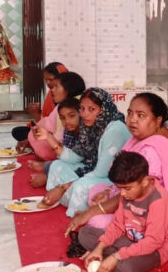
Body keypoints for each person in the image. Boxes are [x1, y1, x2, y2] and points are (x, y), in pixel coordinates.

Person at [66, 93, 168, 244]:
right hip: (131, 195)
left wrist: (92, 211)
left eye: (141, 115)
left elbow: (138, 195)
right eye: (130, 113)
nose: (132, 119)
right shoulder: (144, 137)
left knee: (96, 221)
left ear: (157, 120)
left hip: (147, 214)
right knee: (95, 190)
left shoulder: (151, 151)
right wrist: (109, 192)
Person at [78, 151, 168, 272]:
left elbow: (153, 241)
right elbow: (118, 225)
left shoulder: (159, 201)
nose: (123, 194)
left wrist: (116, 256)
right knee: (84, 233)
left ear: (145, 181)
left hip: (155, 250)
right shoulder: (127, 193)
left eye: (127, 188)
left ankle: (113, 258)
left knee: (127, 271)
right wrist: (99, 248)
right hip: (129, 239)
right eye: (120, 189)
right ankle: (109, 256)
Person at [42, 88, 130, 216]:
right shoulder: (92, 125)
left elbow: (101, 172)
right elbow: (76, 157)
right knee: (56, 166)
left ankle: (77, 213)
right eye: (82, 109)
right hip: (94, 170)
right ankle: (62, 198)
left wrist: (62, 188)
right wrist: (49, 138)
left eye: (91, 109)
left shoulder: (114, 130)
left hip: (114, 181)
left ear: (103, 109)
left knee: (81, 185)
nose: (84, 114)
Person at [26, 71, 85, 170]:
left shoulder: (75, 105)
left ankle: (49, 163)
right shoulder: (62, 105)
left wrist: (49, 138)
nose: (51, 90)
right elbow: (48, 125)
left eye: (56, 86)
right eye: (47, 80)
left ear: (68, 88)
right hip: (67, 150)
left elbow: (60, 139)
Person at [11, 60, 68, 149]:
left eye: (51, 79)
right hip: (48, 130)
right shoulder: (51, 94)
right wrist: (36, 113)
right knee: (17, 131)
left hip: (58, 135)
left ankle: (37, 145)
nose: (48, 83)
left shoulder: (68, 99)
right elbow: (46, 122)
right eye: (46, 80)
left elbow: (57, 128)